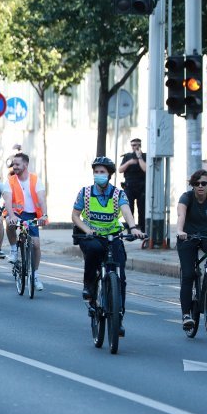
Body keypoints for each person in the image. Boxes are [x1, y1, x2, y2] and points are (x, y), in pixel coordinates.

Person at [72, 157, 144, 336]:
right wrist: (87, 230)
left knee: (120, 277)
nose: (98, 175)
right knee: (94, 249)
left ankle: (118, 319)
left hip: (113, 236)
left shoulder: (118, 194)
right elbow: (75, 216)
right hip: (91, 236)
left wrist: (133, 228)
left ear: (109, 175)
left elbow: (126, 210)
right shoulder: (85, 193)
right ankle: (89, 286)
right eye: (96, 172)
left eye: (102, 172)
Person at [5, 152, 48, 291]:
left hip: (32, 216)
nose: (15, 167)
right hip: (16, 214)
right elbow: (7, 200)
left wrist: (44, 215)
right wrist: (11, 215)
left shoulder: (35, 180)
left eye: (17, 164)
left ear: (25, 164)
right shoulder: (10, 181)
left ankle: (35, 275)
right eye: (13, 164)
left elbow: (41, 198)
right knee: (9, 224)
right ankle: (13, 250)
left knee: (36, 244)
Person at [176, 169, 207, 330]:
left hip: (205, 237)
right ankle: (186, 314)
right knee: (189, 274)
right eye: (197, 183)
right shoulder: (186, 197)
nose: (200, 186)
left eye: (204, 183)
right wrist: (180, 231)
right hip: (187, 237)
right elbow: (181, 215)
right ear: (193, 185)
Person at [119, 138, 146, 233]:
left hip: (142, 186)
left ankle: (142, 230)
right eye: (133, 145)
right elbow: (120, 170)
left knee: (142, 209)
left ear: (140, 145)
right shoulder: (127, 157)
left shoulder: (145, 156)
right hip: (129, 186)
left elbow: (145, 169)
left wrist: (140, 158)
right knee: (129, 208)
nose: (135, 147)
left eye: (137, 145)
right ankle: (131, 230)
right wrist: (129, 162)